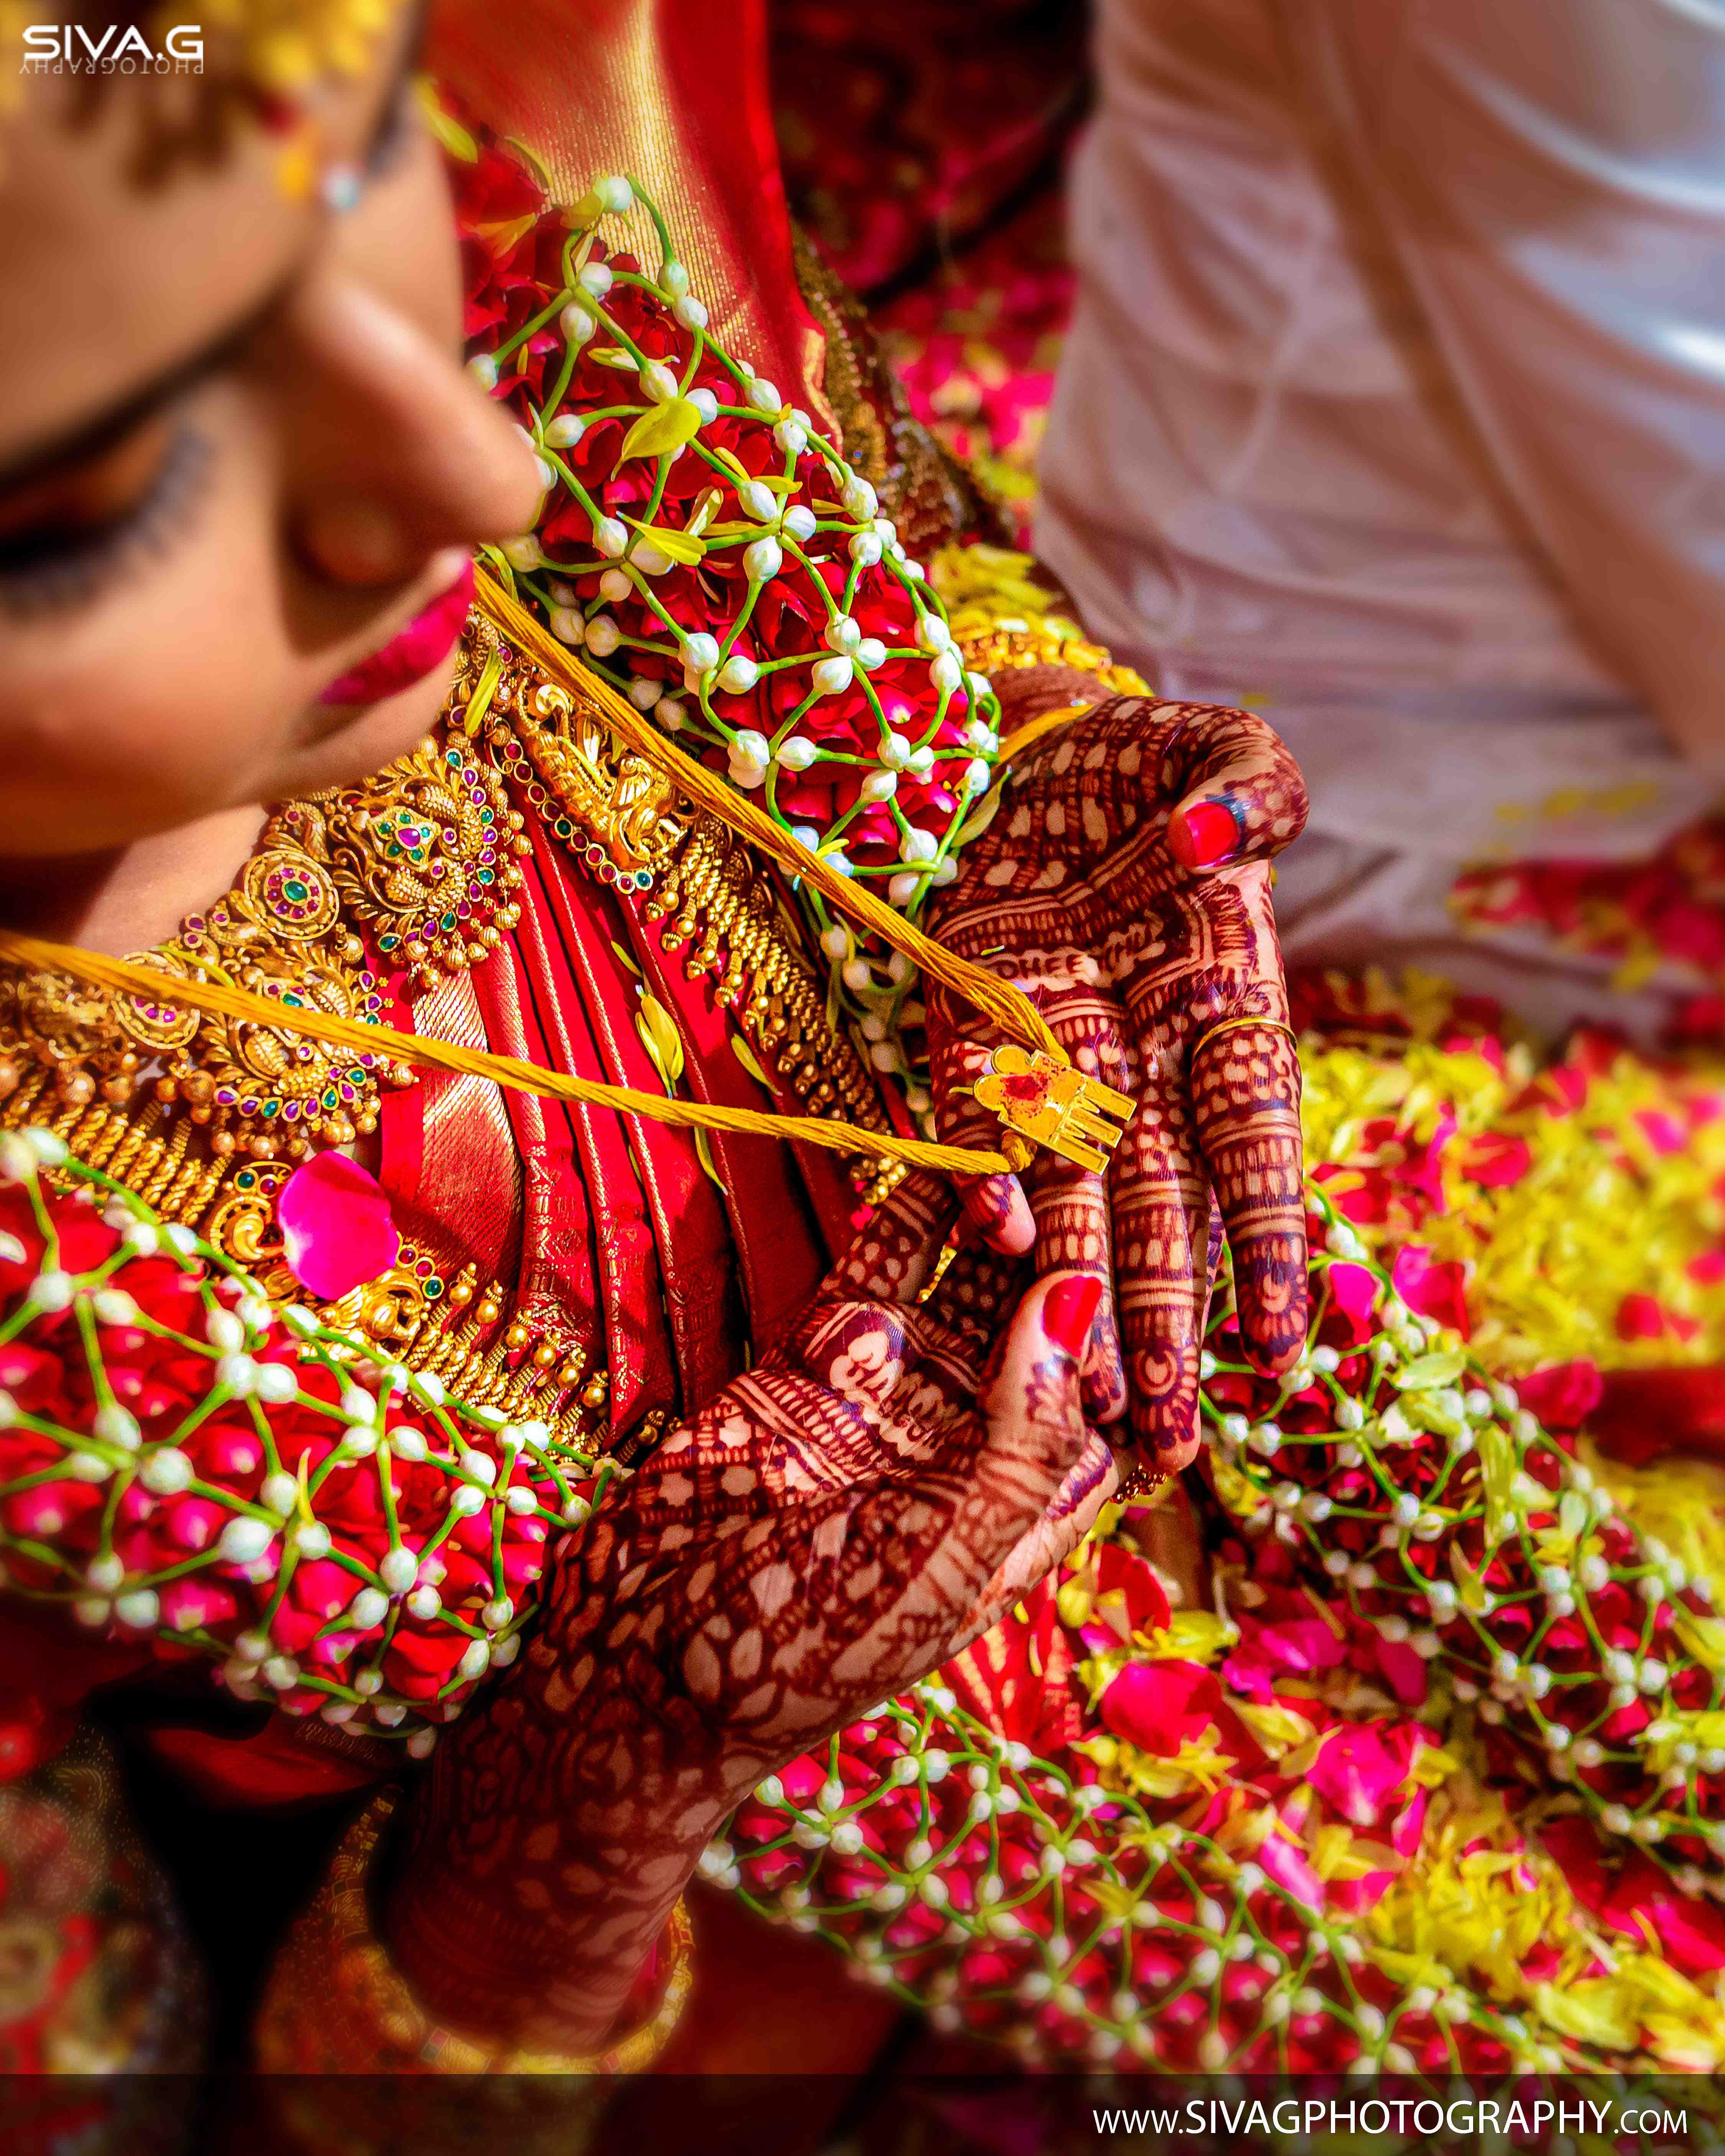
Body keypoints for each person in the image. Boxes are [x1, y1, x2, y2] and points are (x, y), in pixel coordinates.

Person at [0, 0, 1310, 2135]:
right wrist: (595, 1782)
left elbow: (893, 540)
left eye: (353, 193)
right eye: (102, 498)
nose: (480, 469)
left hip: (1353, 1415)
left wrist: (1049, 777)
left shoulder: (493, 290)